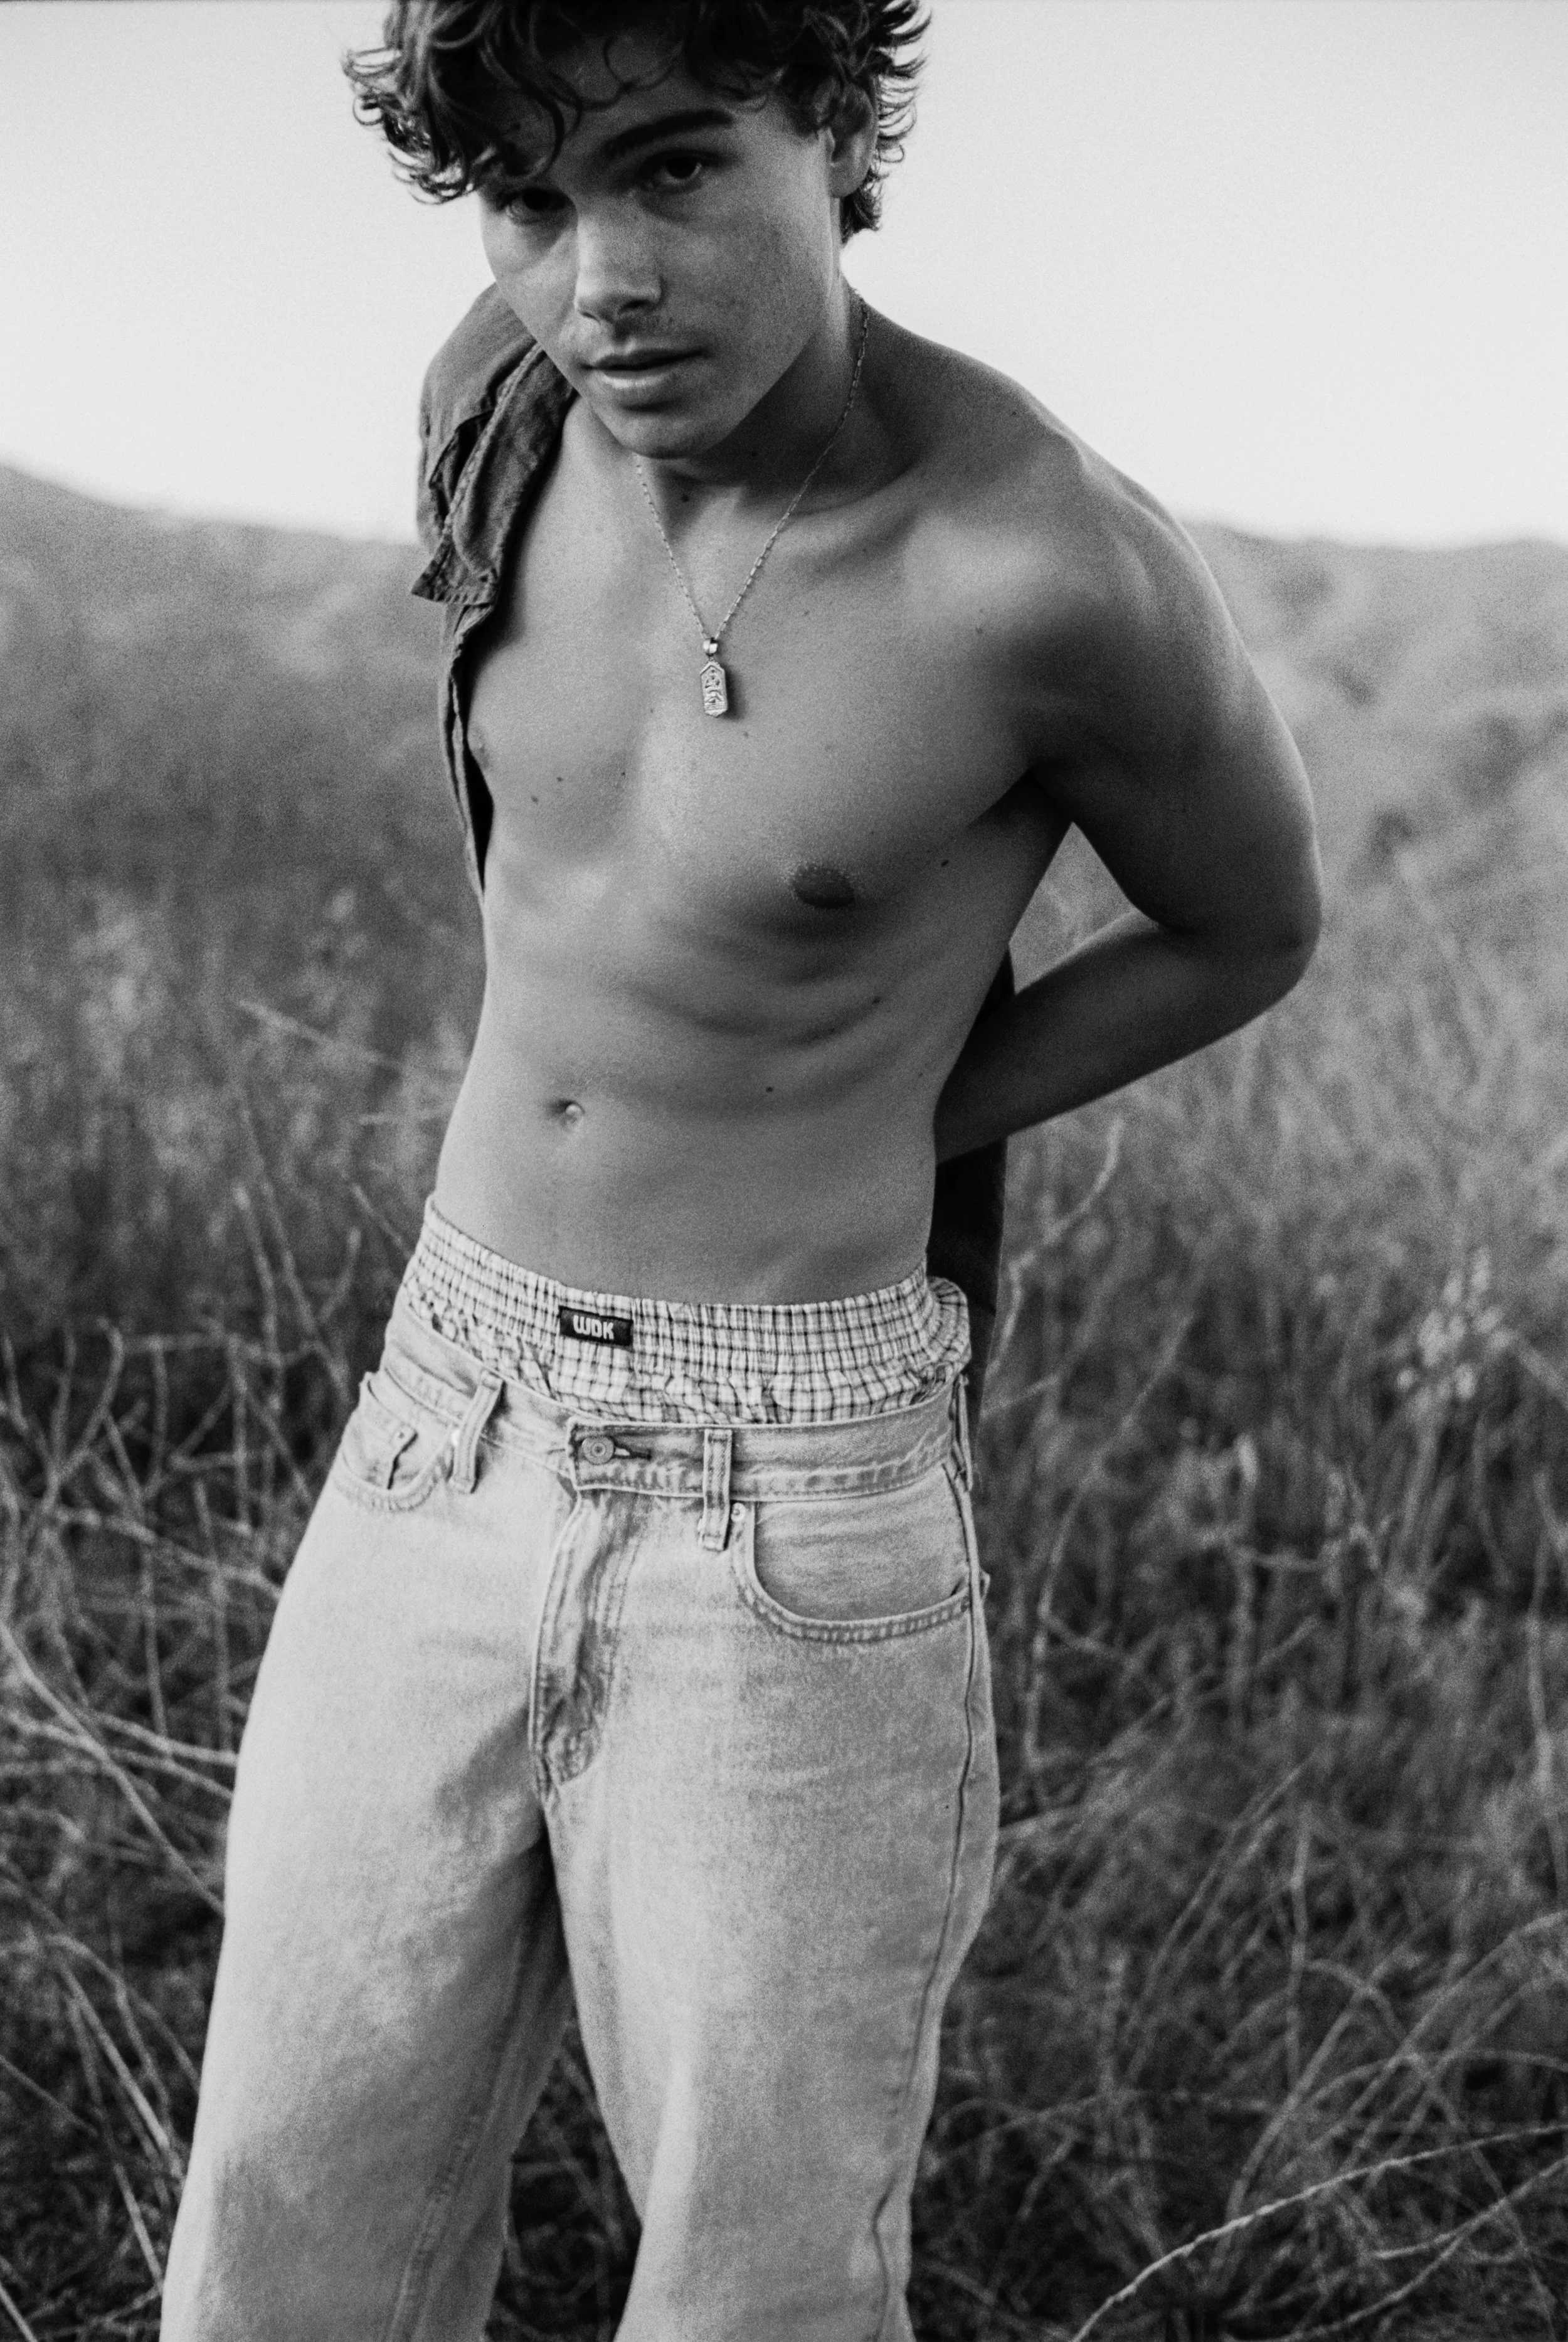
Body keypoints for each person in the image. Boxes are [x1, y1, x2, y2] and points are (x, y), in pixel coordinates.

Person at [161, 4, 1322, 2336]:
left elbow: (1246, 925)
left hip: (782, 1485)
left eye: (678, 171)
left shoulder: (1040, 566)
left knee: (754, 2280)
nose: (601, 277)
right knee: (285, 2216)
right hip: (443, 1401)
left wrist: (896, 1114)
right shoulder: (497, 404)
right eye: (525, 202)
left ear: (836, 133)